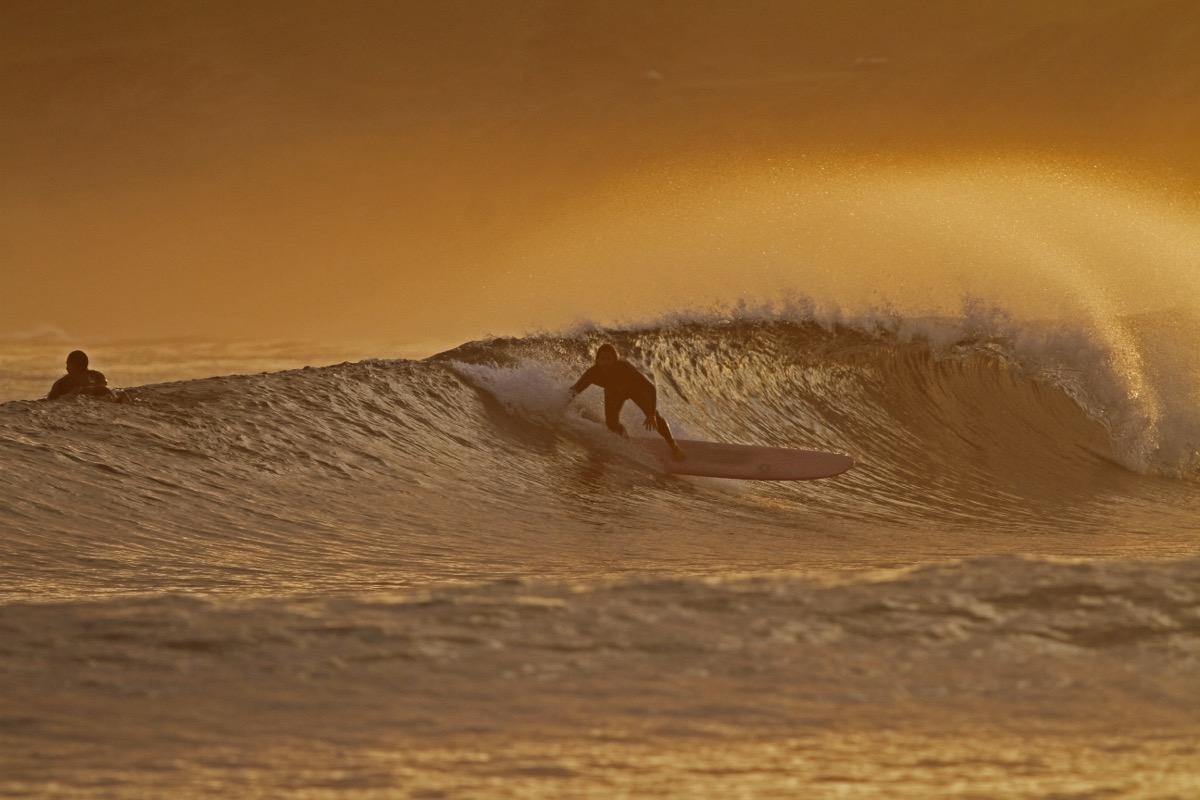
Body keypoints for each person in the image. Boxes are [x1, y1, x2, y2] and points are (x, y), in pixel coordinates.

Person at [568, 343, 685, 459]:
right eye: (602, 359)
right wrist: (558, 402)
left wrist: (651, 414)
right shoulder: (593, 373)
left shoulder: (625, 368)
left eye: (609, 359)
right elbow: (575, 390)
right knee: (612, 424)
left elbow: (650, 388)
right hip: (613, 393)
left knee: (654, 417)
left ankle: (673, 446)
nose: (605, 362)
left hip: (634, 390)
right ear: (597, 360)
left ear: (615, 359)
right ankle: (626, 441)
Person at [47, 350, 114, 400]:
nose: (67, 368)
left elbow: (49, 401)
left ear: (71, 365)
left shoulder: (63, 382)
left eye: (68, 364)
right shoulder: (98, 376)